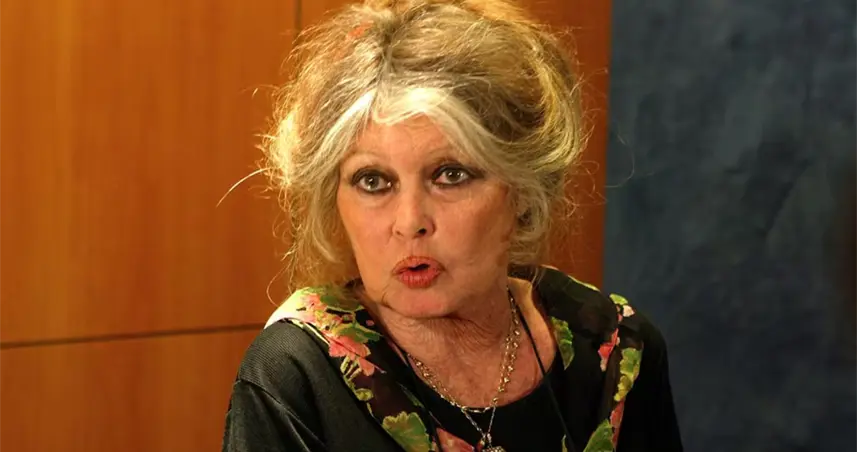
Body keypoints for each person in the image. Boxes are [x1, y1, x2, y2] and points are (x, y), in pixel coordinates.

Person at [222, 1, 683, 451]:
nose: (410, 223)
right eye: (373, 181)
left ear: (523, 188)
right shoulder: (293, 375)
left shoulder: (617, 352)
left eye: (451, 175)